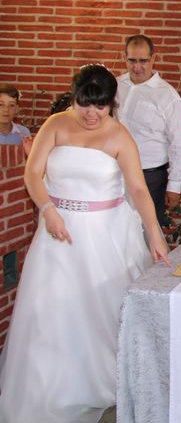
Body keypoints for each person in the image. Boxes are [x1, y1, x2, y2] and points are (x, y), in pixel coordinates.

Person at [0, 64, 169, 423]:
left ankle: (104, 382)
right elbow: (33, 172)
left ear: (111, 103)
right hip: (57, 232)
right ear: (74, 97)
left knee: (100, 313)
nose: (91, 114)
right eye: (84, 104)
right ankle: (50, 388)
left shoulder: (120, 135)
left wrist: (154, 231)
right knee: (52, 312)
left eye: (101, 106)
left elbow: (138, 188)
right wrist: (47, 209)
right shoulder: (56, 125)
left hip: (104, 232)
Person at [116, 34, 181, 224]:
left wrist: (175, 185)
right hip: (114, 173)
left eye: (143, 61)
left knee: (147, 233)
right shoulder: (114, 86)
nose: (137, 67)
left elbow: (178, 143)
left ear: (153, 59)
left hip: (150, 177)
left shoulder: (168, 96)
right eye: (132, 60)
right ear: (124, 57)